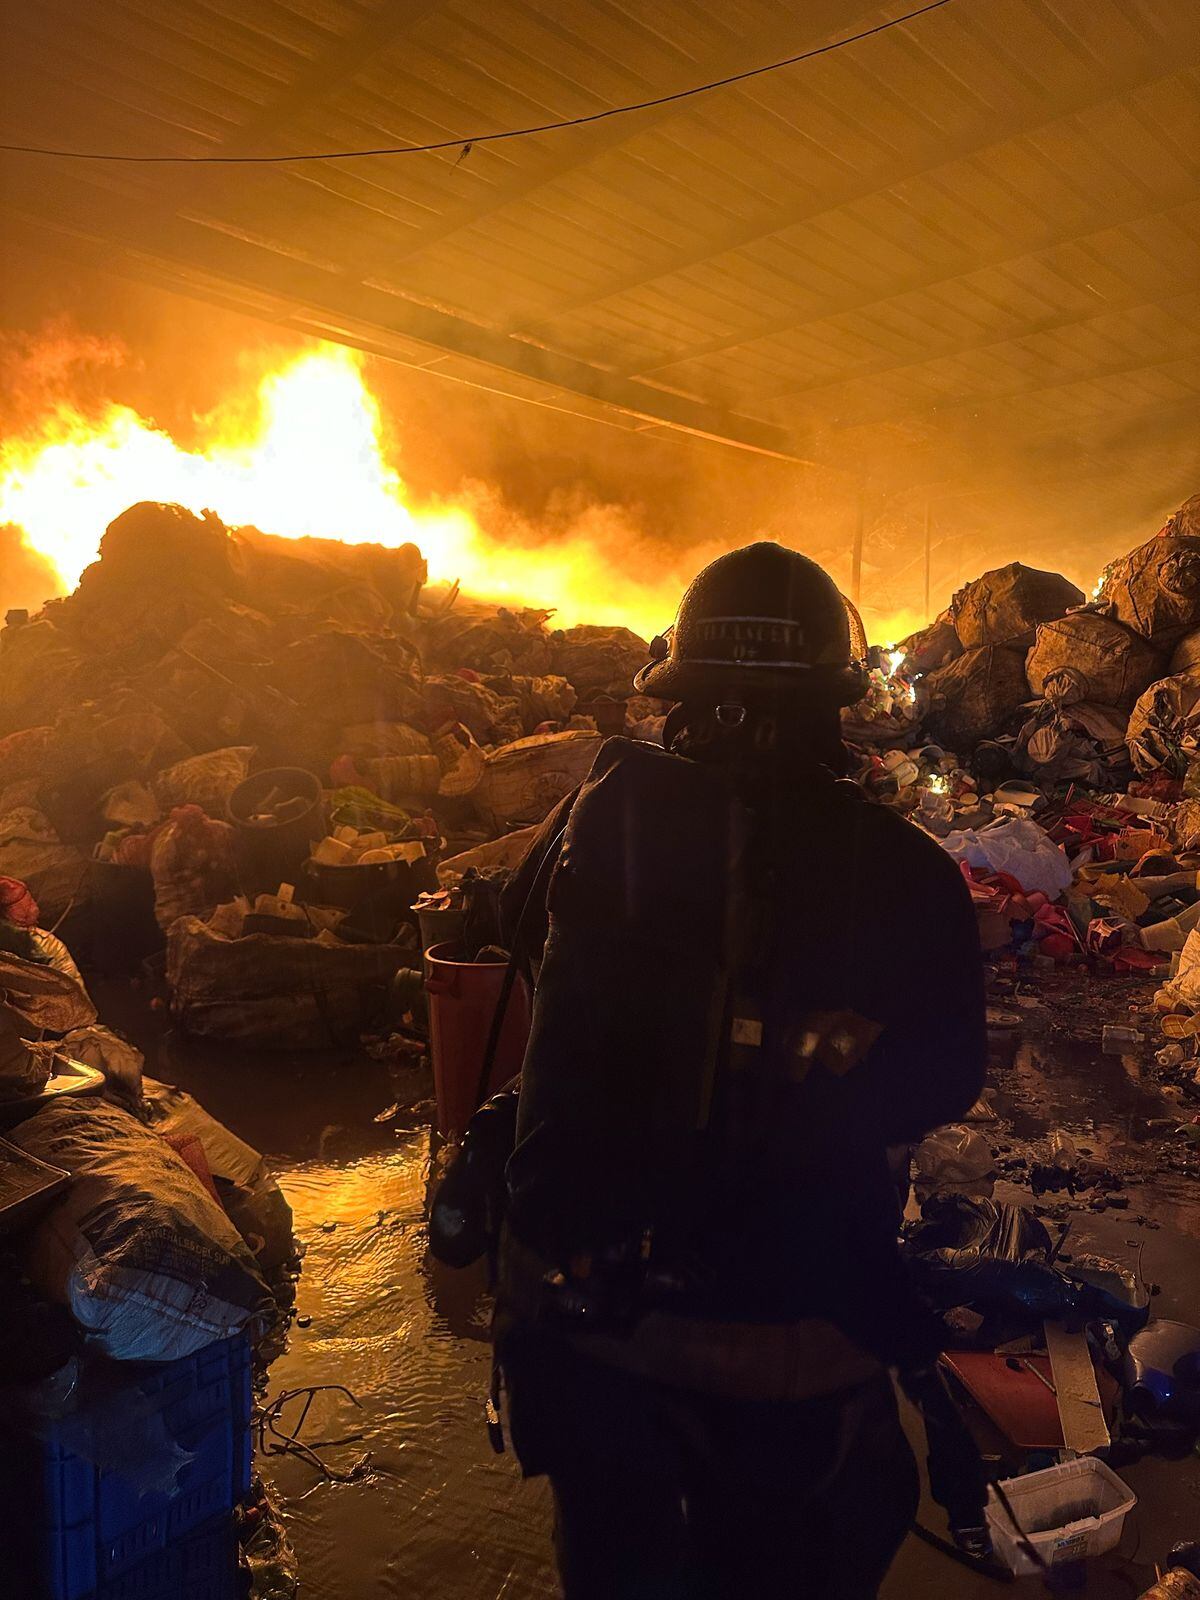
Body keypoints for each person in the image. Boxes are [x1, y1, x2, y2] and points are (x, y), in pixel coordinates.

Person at [493, 542, 987, 1599]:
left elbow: (519, 947)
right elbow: (946, 1078)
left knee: (613, 1564)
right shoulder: (911, 872)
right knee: (828, 1535)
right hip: (791, 1352)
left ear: (679, 690)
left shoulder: (589, 826)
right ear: (837, 702)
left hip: (581, 1329)